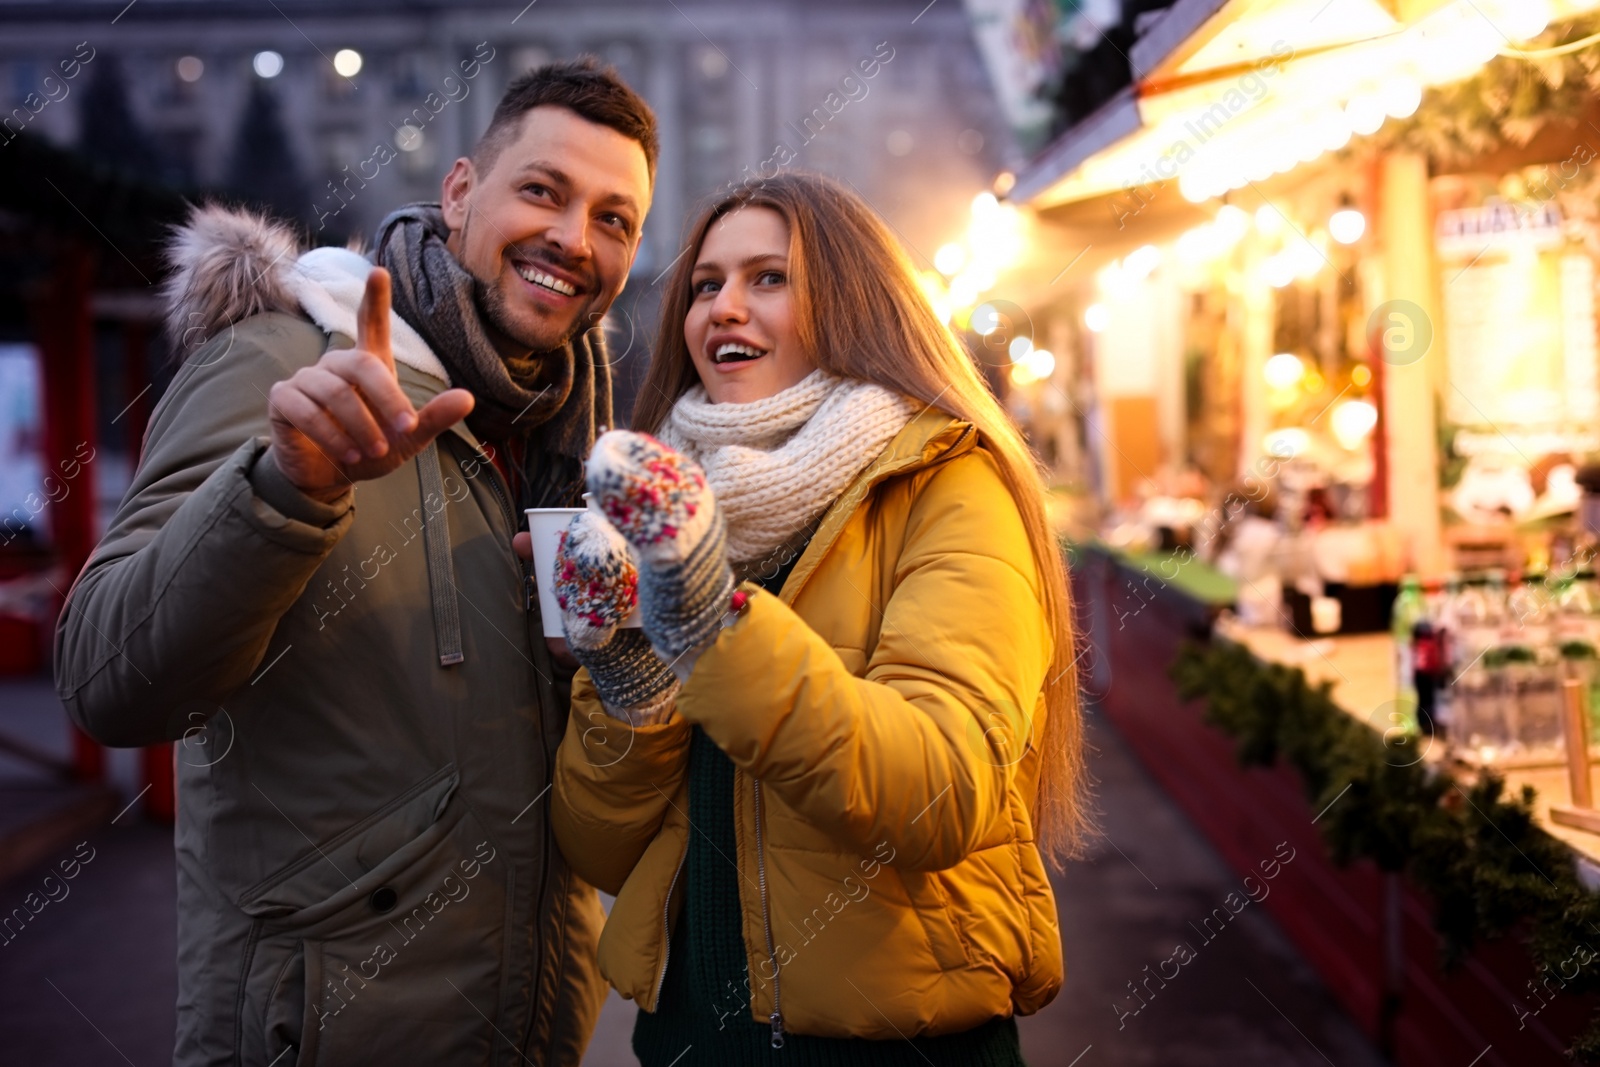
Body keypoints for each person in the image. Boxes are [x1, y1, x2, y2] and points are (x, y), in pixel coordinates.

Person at [53, 58, 655, 1067]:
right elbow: (107, 681)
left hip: (532, 1022)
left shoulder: (573, 433)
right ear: (461, 191)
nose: (573, 238)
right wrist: (285, 488)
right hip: (316, 1028)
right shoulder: (284, 358)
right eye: (544, 190)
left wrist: (604, 658)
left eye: (614, 218)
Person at [543, 172, 1085, 1064]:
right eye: (706, 284)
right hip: (687, 1041)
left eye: (768, 277)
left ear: (852, 303)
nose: (724, 306)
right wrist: (629, 677)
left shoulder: (945, 485)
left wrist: (711, 620)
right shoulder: (662, 500)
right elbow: (600, 849)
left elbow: (937, 794)